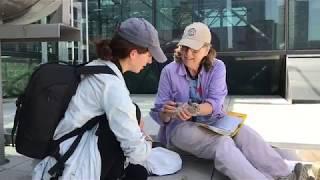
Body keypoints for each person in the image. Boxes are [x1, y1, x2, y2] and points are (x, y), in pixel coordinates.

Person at [150, 22, 313, 180]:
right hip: (180, 128)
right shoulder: (169, 72)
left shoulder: (217, 67)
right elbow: (160, 113)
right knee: (222, 144)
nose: (188, 53)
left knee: (245, 133)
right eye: (185, 47)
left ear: (207, 49)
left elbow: (214, 103)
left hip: (212, 120)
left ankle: (285, 174)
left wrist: (194, 109)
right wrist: (168, 113)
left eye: (194, 49)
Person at [32, 17, 167, 180]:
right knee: (137, 172)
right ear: (133, 54)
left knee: (133, 115)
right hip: (71, 167)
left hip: (60, 154)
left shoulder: (98, 67)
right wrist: (147, 140)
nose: (150, 60)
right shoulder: (111, 86)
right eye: (149, 54)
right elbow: (137, 153)